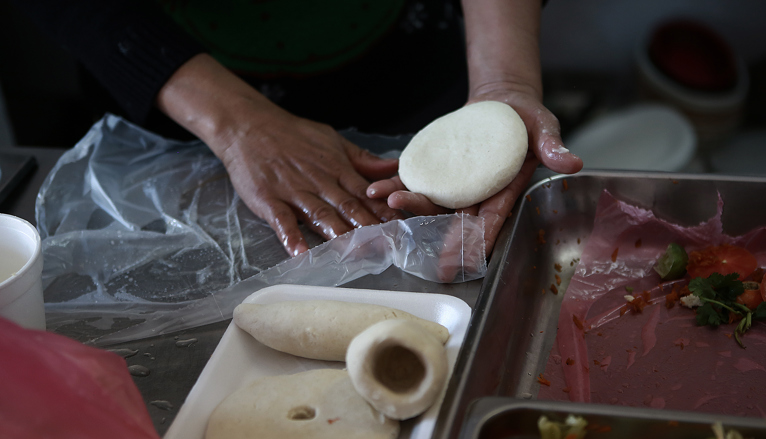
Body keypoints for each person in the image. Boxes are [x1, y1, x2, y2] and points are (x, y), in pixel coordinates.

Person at [12, 0, 582, 258]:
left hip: (412, 68)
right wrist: (234, 123)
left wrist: (503, 81)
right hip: (179, 90)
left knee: (416, 239)